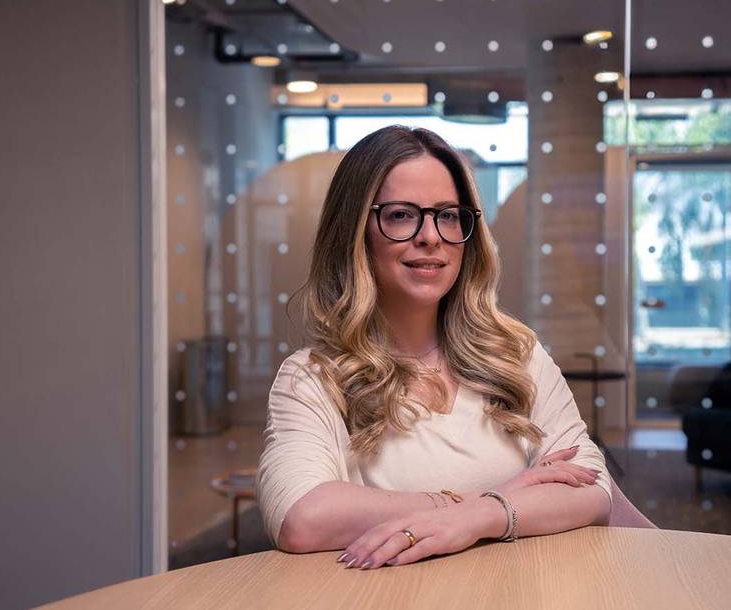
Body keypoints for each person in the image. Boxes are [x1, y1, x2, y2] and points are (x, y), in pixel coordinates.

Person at [256, 125, 614, 571]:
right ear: (354, 231)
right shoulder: (312, 376)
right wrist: (497, 497)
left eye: (447, 215)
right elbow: (302, 519)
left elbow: (593, 491)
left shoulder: (515, 353)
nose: (431, 236)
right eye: (402, 215)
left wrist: (483, 514)